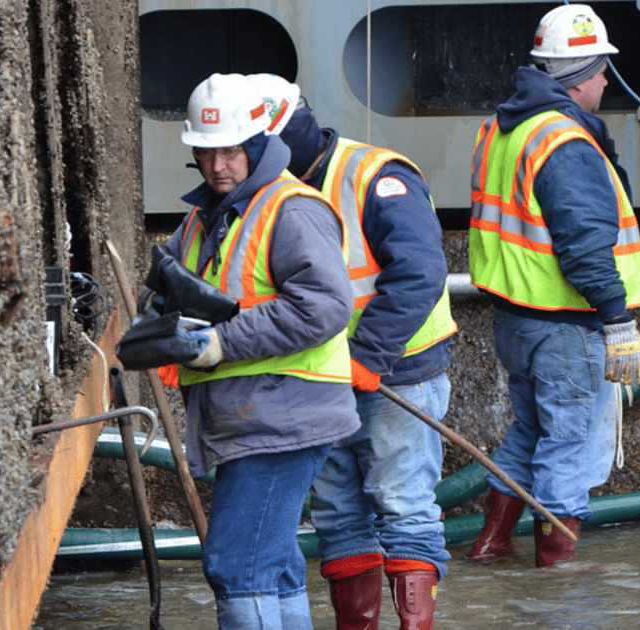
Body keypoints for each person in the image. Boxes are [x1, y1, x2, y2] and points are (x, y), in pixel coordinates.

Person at [247, 73, 457, 630]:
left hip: (395, 373)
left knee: (402, 502)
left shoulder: (375, 176)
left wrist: (368, 356)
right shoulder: (266, 190)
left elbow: (420, 273)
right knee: (338, 514)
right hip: (317, 380)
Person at [156, 73, 361, 630]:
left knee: (236, 565)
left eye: (231, 151)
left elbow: (322, 307)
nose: (219, 165)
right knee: (273, 565)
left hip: (284, 414)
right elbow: (169, 293)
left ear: (257, 144)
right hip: (253, 416)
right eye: (207, 153)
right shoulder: (204, 218)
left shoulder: (292, 210)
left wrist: (222, 342)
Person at [465, 3, 640, 568]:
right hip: (565, 325)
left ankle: (490, 547)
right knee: (568, 450)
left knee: (531, 433)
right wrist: (617, 318)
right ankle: (558, 583)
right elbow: (584, 246)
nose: (605, 80)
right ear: (580, 77)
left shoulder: (507, 128)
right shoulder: (565, 143)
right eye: (600, 70)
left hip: (517, 320)